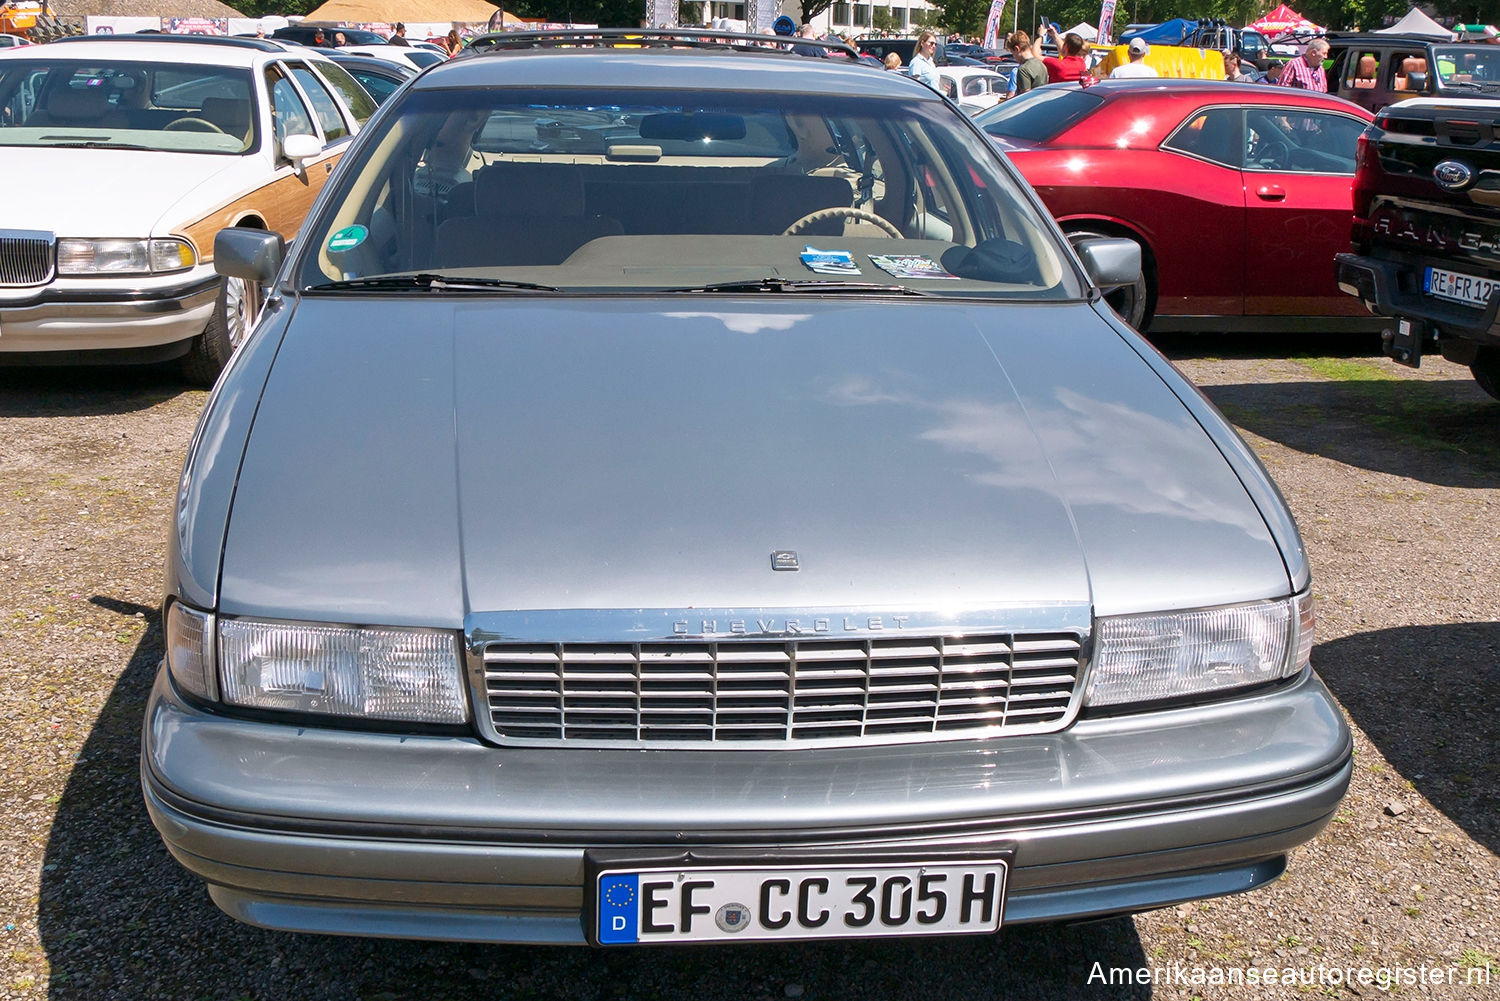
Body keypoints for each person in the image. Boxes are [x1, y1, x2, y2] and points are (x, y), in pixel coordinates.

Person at [1006, 30, 1048, 95]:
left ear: (1017, 49)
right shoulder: (1042, 65)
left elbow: (1025, 97)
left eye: (1013, 53)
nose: (1014, 57)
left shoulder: (1023, 69)